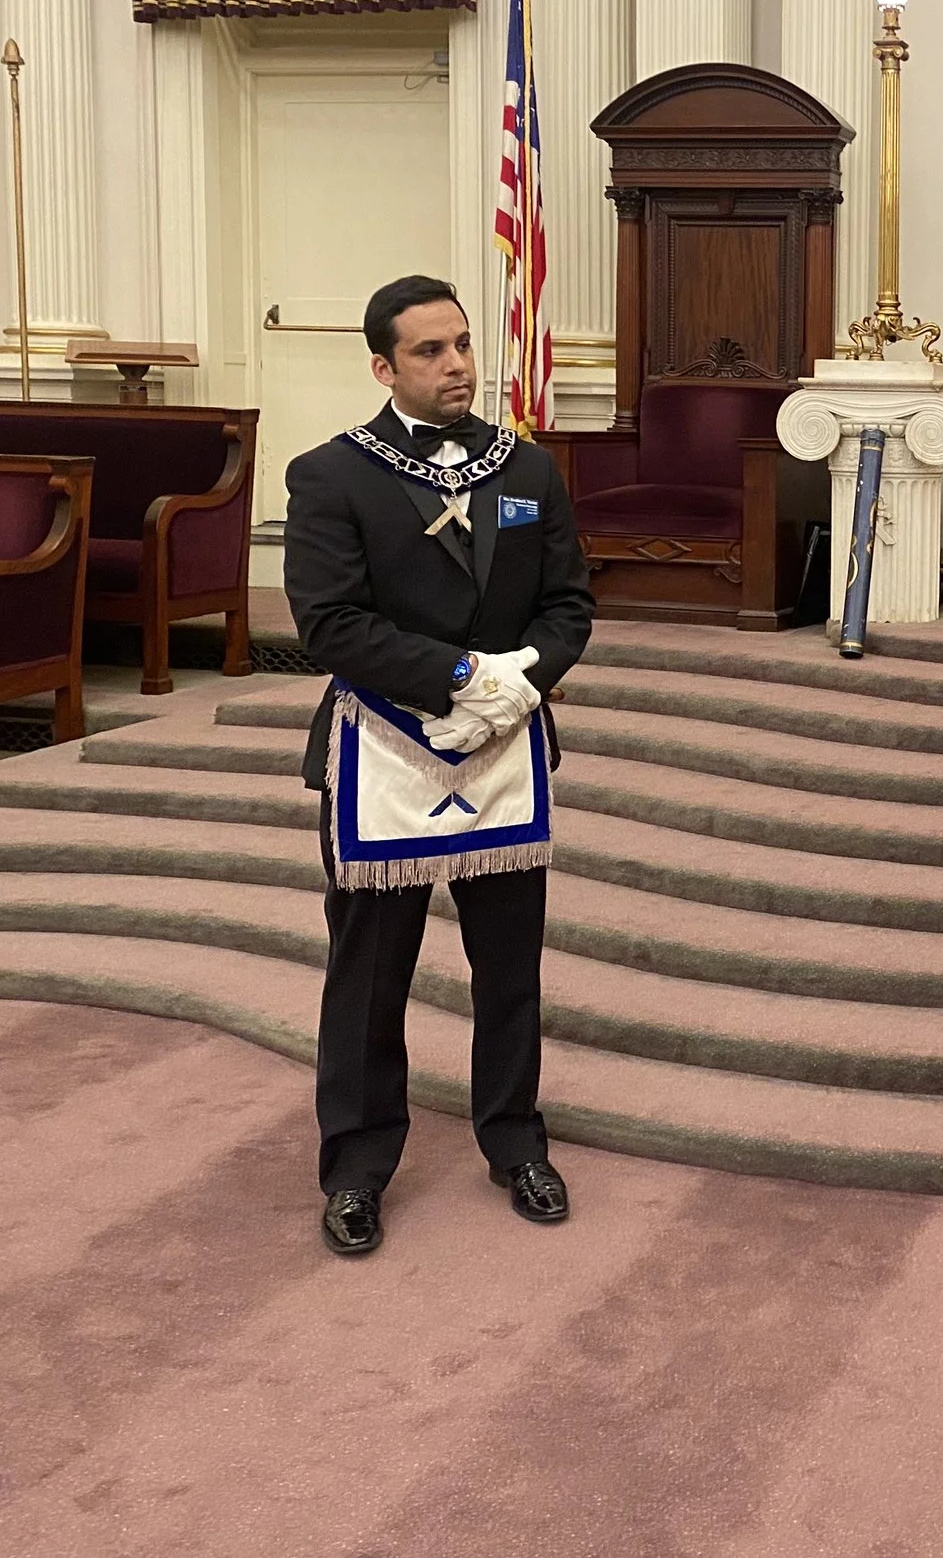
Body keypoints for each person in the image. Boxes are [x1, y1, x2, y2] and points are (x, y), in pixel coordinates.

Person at [283, 273, 594, 1257]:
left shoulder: (527, 468)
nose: (456, 363)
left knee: (509, 971)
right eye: (429, 350)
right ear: (383, 367)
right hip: (384, 747)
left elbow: (569, 605)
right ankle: (357, 1167)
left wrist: (520, 680)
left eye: (461, 343)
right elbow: (328, 623)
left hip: (506, 749)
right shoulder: (330, 475)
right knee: (371, 977)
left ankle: (516, 1142)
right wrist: (460, 676)